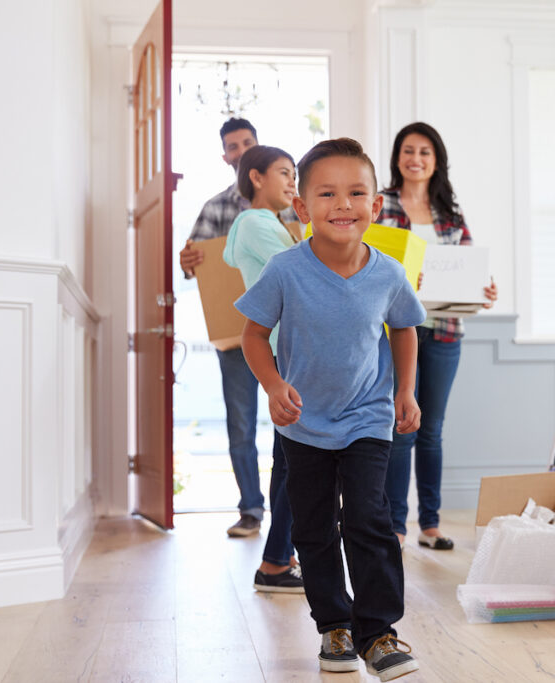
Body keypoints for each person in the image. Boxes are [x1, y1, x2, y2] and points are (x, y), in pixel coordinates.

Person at [235, 138, 425, 680]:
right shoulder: (284, 269)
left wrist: (405, 392)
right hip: (303, 424)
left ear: (375, 206)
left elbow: (405, 328)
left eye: (356, 193)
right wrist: (273, 386)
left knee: (368, 518)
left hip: (367, 417)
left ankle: (379, 632)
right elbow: (253, 336)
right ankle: (334, 627)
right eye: (327, 194)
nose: (343, 204)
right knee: (314, 529)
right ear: (301, 208)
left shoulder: (388, 272)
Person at [378, 122, 498, 551]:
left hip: (446, 331)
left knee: (431, 430)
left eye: (425, 152)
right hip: (398, 330)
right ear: (397, 158)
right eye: (408, 151)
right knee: (401, 426)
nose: (416, 159)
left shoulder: (451, 213)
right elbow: (369, 257)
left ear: (436, 161)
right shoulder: (382, 205)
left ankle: (430, 523)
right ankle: (394, 524)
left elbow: (469, 268)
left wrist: (485, 290)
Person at [178, 117, 296, 538]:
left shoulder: (287, 209)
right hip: (236, 334)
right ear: (226, 156)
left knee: (291, 428)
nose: (241, 149)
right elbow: (198, 265)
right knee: (242, 424)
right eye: (233, 145)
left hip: (283, 338)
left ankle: (288, 521)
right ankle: (251, 508)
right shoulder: (217, 209)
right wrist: (187, 262)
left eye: (248, 142)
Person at [222, 145, 302, 592]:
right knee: (293, 460)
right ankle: (275, 561)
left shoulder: (262, 224)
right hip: (284, 347)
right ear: (256, 178)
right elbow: (298, 267)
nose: (293, 183)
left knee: (288, 459)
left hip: (280, 346)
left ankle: (280, 556)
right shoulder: (255, 222)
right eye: (285, 174)